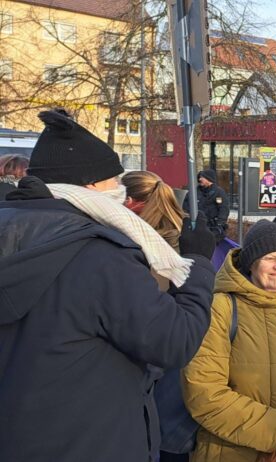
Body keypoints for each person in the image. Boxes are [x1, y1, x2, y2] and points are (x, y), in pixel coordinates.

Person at [0, 109, 216, 461]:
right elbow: (174, 341)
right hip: (91, 443)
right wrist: (200, 266)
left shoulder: (12, 228)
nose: (120, 189)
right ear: (89, 186)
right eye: (113, 180)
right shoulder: (99, 256)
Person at [183, 221, 276, 461]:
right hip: (230, 453)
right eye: (271, 258)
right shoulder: (220, 308)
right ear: (251, 262)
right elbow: (204, 391)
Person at [184, 169, 230, 240]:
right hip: (196, 228)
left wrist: (219, 226)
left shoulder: (219, 192)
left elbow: (223, 210)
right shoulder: (194, 192)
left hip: (213, 229)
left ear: (209, 179)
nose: (199, 179)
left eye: (202, 177)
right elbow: (185, 207)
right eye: (199, 177)